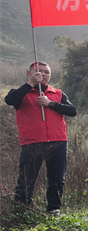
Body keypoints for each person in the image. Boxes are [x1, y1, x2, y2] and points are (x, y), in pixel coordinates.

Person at [5, 62, 77, 215]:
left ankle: (54, 209)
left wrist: (50, 103)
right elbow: (9, 100)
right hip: (32, 142)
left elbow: (72, 111)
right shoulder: (21, 93)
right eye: (39, 71)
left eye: (46, 72)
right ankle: (21, 209)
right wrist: (31, 84)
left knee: (57, 178)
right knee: (27, 177)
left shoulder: (58, 93)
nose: (43, 74)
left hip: (58, 141)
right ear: (29, 73)